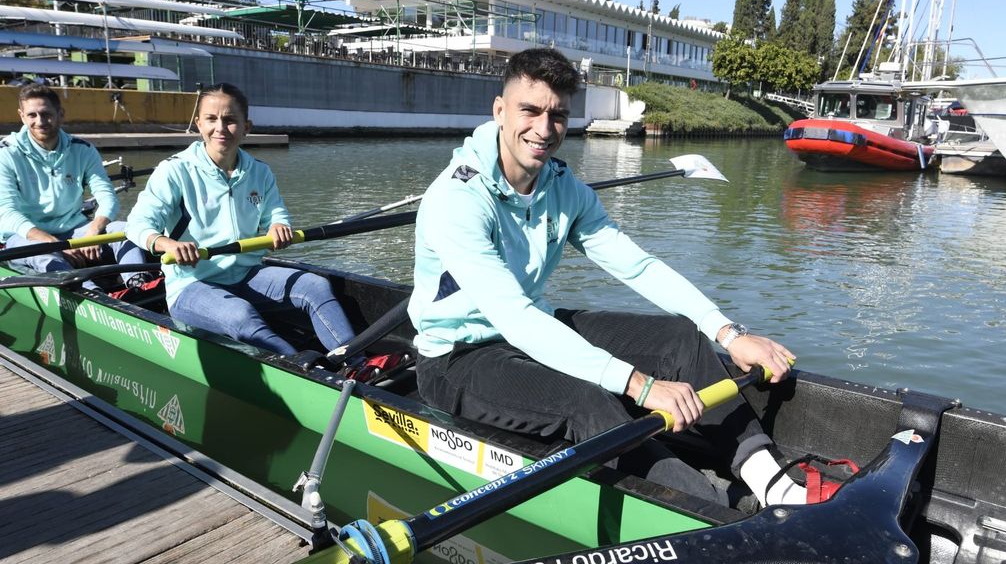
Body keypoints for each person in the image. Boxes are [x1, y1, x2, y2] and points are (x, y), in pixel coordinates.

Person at [408, 48, 805, 508]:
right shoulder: (457, 200)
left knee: (681, 337)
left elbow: (638, 266)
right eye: (530, 111)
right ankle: (720, 513)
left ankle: (775, 484)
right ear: (500, 111)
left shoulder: (564, 189)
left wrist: (729, 333)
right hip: (457, 359)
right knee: (588, 399)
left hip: (528, 331)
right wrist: (641, 384)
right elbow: (515, 317)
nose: (543, 128)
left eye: (557, 115)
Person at [125, 83, 355, 356]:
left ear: (247, 126)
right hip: (191, 285)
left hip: (246, 273)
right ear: (198, 124)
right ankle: (304, 372)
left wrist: (278, 226)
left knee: (315, 286)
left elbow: (276, 213)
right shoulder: (174, 171)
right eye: (211, 119)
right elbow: (137, 224)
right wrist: (166, 244)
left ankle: (355, 362)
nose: (220, 128)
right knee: (240, 315)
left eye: (230, 120)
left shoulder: (260, 172)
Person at [0, 83, 147, 290]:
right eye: (32, 115)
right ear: (22, 116)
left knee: (125, 230)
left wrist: (94, 231)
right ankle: (92, 295)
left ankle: (140, 284)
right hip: (27, 237)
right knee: (44, 256)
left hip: (74, 229)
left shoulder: (83, 149)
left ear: (60, 114)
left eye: (46, 114)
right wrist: (55, 245)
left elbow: (107, 196)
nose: (40, 121)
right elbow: (6, 212)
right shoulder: (6, 154)